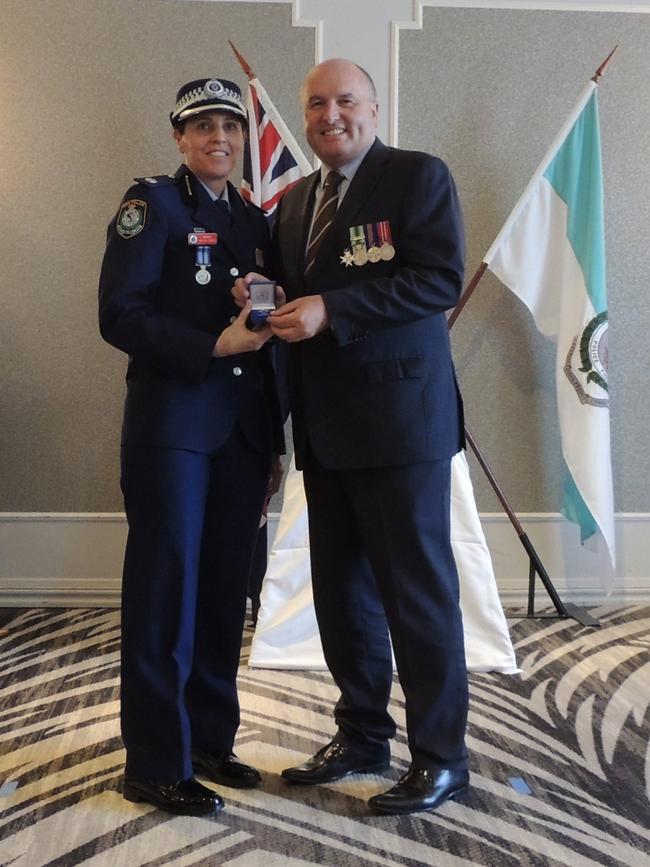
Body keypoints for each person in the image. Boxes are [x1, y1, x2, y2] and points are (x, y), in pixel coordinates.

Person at [235, 58, 469, 815]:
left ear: (372, 106)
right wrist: (257, 293)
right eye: (316, 105)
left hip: (402, 430)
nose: (329, 115)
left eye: (344, 101)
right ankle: (363, 733)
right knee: (343, 598)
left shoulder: (416, 176)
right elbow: (289, 289)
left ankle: (442, 756)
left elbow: (438, 279)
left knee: (418, 599)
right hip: (326, 431)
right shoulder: (297, 201)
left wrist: (333, 310)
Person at [99, 77, 284, 816]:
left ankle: (209, 738)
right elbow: (119, 313)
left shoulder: (252, 215)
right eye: (203, 126)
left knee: (221, 593)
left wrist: (259, 306)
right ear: (179, 137)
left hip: (242, 431)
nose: (221, 138)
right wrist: (212, 340)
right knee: (165, 591)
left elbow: (263, 314)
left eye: (230, 127)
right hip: (172, 428)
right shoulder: (153, 204)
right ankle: (153, 760)